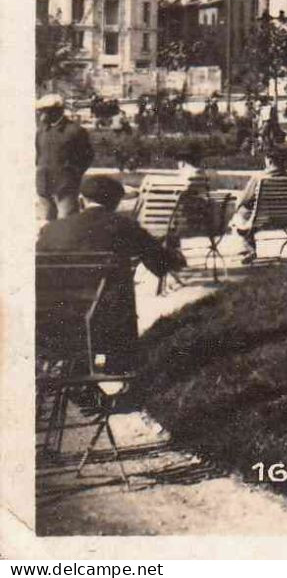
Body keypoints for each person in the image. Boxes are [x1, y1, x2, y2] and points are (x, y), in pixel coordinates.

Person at [37, 176, 187, 374]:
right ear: (115, 203)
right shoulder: (123, 226)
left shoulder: (51, 230)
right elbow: (161, 264)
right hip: (108, 323)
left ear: (82, 200)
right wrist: (176, 256)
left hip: (52, 319)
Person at [229, 146, 287, 264]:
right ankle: (247, 249)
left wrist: (238, 204)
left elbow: (244, 198)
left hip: (261, 219)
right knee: (245, 215)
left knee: (240, 215)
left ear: (269, 161)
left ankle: (248, 249)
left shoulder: (259, 178)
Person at [36, 94, 93, 222]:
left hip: (65, 186)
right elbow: (39, 154)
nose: (41, 115)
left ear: (57, 111)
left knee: (66, 223)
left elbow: (87, 156)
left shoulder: (75, 131)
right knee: (47, 223)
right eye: (40, 111)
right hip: (44, 185)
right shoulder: (42, 131)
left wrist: (73, 174)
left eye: (44, 111)